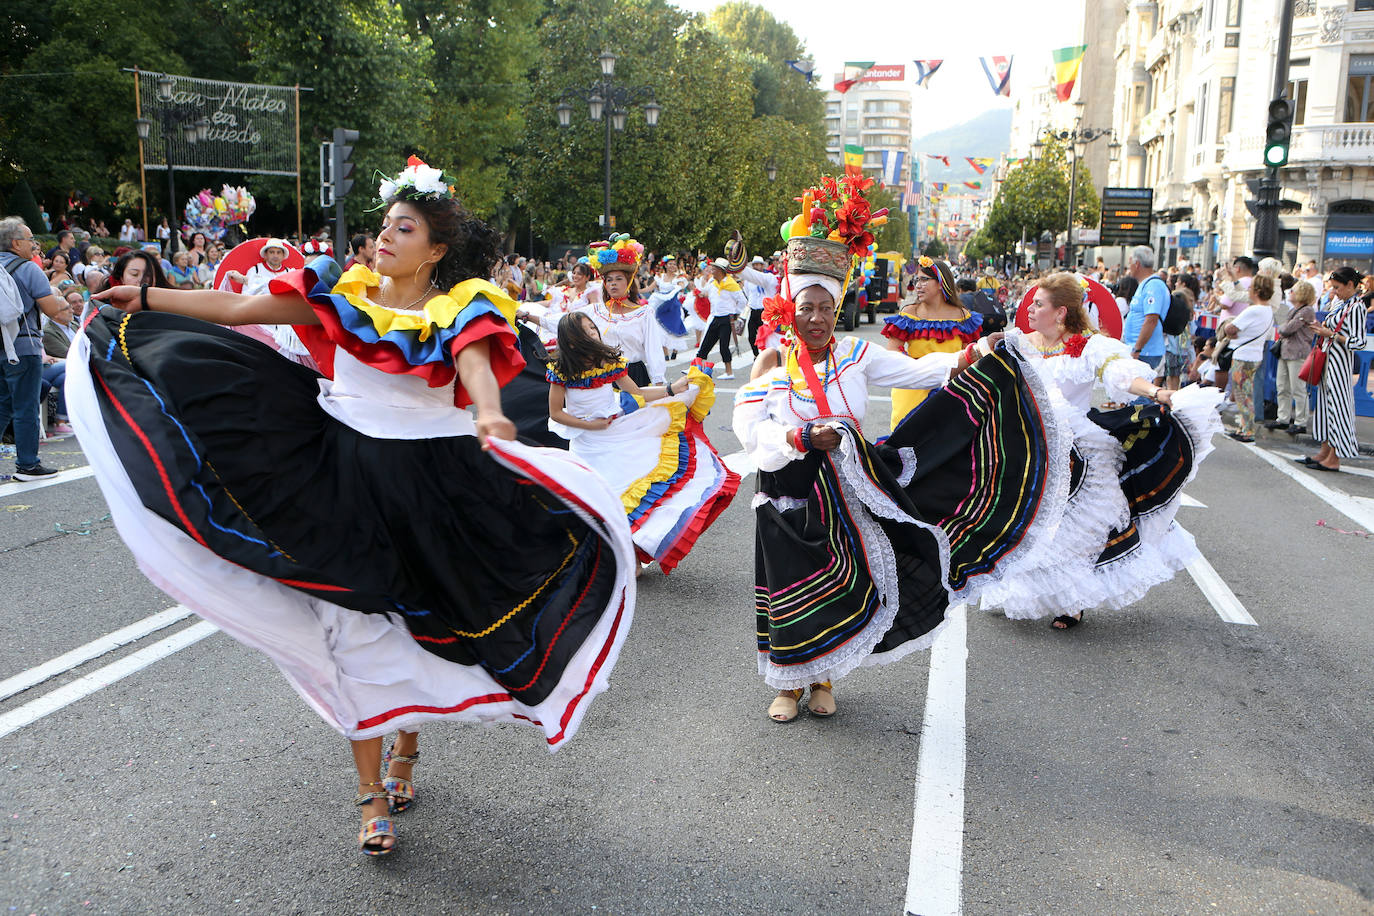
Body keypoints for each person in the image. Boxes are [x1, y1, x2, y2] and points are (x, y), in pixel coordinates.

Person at [76, 159, 636, 857]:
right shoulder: (346, 293)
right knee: (351, 627)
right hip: (342, 479)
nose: (385, 237)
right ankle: (371, 795)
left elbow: (471, 364)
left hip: (433, 487)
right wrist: (151, 300)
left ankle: (409, 742)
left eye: (405, 228)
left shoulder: (463, 304)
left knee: (416, 623)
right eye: (383, 226)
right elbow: (241, 309)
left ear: (436, 248)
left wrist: (490, 413)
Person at [734, 179, 1070, 723]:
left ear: (836, 307)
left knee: (842, 583)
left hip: (847, 486)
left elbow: (922, 370)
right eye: (806, 307)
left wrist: (975, 355)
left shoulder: (857, 354)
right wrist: (798, 438)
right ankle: (787, 685)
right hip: (787, 489)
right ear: (789, 309)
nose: (816, 318)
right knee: (786, 585)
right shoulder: (773, 363)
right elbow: (748, 430)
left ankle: (824, 680)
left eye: (825, 307)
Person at [976, 272, 1222, 629]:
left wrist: (1156, 393)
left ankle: (1073, 600)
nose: (1029, 309)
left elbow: (1120, 373)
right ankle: (1016, 591)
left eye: (1038, 304)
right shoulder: (1019, 342)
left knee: (1075, 532)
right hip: (1028, 444)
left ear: (1060, 313)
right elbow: (985, 366)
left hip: (1076, 447)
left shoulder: (1089, 346)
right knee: (1023, 524)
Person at [547, 311, 737, 572]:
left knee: (626, 497)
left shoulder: (608, 361)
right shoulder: (561, 369)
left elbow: (637, 392)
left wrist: (672, 389)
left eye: (593, 328)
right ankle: (605, 559)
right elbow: (556, 413)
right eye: (586, 330)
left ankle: (633, 558)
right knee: (597, 502)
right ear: (570, 340)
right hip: (586, 445)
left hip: (617, 433)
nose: (593, 333)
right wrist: (588, 425)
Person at [882, 256, 982, 431]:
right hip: (913, 388)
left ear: (941, 282)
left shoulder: (962, 316)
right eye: (917, 280)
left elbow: (971, 356)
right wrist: (917, 369)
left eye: (924, 279)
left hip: (949, 391)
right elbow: (892, 350)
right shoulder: (910, 312)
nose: (918, 285)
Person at [0, 217, 66, 480]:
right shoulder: (28, 269)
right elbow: (52, 311)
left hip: (1, 346)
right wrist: (61, 301)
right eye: (30, 240)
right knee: (25, 405)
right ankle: (28, 464)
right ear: (16, 243)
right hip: (24, 346)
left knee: (2, 404)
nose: (34, 246)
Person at [1299, 266, 1368, 472]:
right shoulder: (1342, 303)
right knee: (1325, 407)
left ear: (1350, 285)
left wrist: (1330, 334)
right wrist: (1323, 330)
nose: (1335, 291)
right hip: (1329, 361)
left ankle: (1334, 457)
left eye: (1338, 287)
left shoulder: (1357, 307)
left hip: (1339, 364)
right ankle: (1324, 452)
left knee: (1338, 408)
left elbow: (1359, 342)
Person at [576, 237, 665, 386]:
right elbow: (566, 320)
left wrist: (659, 381)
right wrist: (528, 316)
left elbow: (653, 349)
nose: (613, 284)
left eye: (618, 279)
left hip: (634, 375)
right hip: (605, 375)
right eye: (609, 280)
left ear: (629, 282)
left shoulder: (643, 313)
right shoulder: (598, 311)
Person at [1221, 273, 1276, 442]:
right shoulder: (1268, 310)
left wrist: (1231, 332)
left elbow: (1230, 328)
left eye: (1251, 288)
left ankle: (1247, 429)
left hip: (1243, 355)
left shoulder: (1253, 310)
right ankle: (1244, 427)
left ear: (1257, 291)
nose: (1248, 291)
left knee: (1242, 394)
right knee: (1246, 392)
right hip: (1255, 354)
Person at [1267, 278, 1317, 435]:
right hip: (1286, 352)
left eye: (1294, 290)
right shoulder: (1293, 310)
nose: (1291, 292)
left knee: (1298, 389)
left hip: (1298, 353)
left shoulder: (1306, 311)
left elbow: (1287, 328)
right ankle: (1283, 418)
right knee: (1282, 387)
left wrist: (1283, 327)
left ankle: (1301, 421)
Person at [695, 257, 747, 379]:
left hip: (726, 319)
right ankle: (695, 368)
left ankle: (729, 372)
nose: (712, 270)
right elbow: (704, 293)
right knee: (706, 343)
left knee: (724, 346)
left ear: (721, 271)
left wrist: (735, 314)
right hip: (715, 317)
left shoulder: (731, 285)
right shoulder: (712, 284)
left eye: (714, 268)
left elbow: (742, 301)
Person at [1123, 246, 1169, 372]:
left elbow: (1151, 320)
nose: (1129, 267)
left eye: (1130, 263)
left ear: (1137, 264)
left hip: (1146, 351)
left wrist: (1137, 349)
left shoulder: (1153, 285)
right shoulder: (1144, 284)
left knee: (1138, 390)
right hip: (1139, 349)